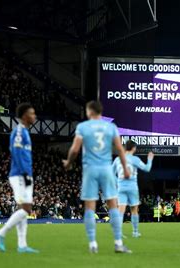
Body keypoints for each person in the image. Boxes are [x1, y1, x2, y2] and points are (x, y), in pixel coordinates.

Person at [62, 101, 132, 254]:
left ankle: (93, 244)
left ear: (89, 111)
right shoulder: (111, 127)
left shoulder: (83, 127)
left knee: (90, 207)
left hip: (90, 169)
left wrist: (68, 162)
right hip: (106, 168)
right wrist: (126, 168)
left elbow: (74, 149)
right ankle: (118, 243)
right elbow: (120, 149)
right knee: (113, 204)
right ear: (100, 112)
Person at [0, 103, 39, 253]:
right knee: (26, 209)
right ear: (25, 116)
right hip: (20, 174)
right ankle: (1, 233)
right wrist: (25, 173)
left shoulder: (24, 132)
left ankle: (22, 245)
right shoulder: (19, 131)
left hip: (24, 174)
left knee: (23, 210)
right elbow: (16, 153)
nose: (35, 116)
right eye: (32, 113)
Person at [112, 140, 154, 238]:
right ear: (134, 148)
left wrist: (117, 182)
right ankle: (135, 232)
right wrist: (150, 160)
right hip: (132, 188)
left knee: (120, 210)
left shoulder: (118, 159)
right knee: (134, 210)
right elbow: (147, 168)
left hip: (121, 187)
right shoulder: (135, 159)